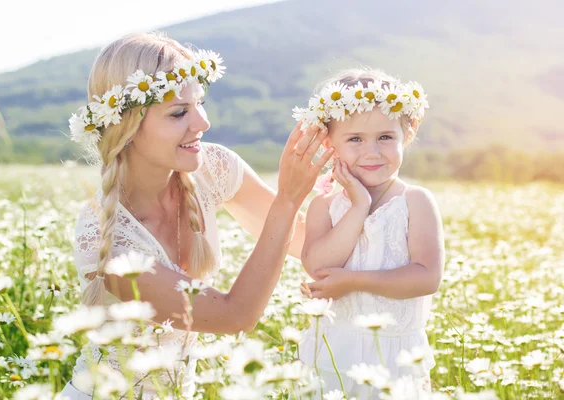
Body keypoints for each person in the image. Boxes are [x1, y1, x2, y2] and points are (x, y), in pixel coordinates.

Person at [61, 31, 334, 398]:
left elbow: (305, 242)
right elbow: (235, 317)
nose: (202, 123)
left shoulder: (211, 168)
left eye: (200, 103)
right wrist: (287, 199)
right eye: (178, 113)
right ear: (126, 126)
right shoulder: (106, 239)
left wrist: (376, 195)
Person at [295, 68, 444, 397]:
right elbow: (317, 266)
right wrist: (358, 206)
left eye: (385, 137)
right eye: (355, 139)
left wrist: (353, 281)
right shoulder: (325, 205)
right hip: (332, 352)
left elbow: (426, 277)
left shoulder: (414, 201)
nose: (372, 151)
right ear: (329, 143)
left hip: (396, 356)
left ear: (408, 132)